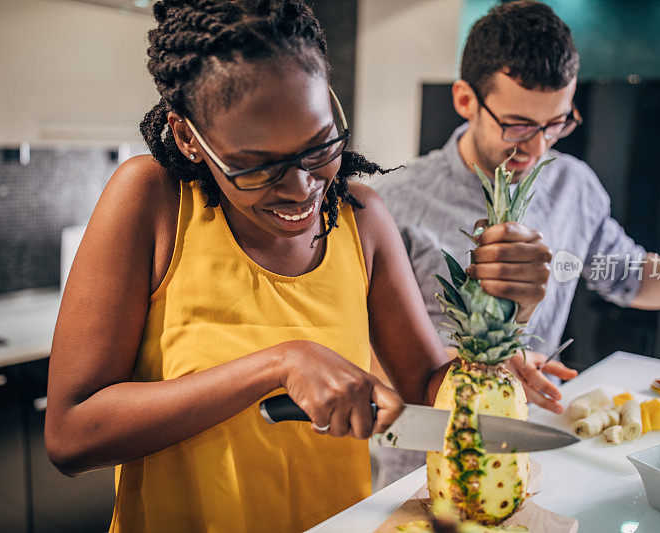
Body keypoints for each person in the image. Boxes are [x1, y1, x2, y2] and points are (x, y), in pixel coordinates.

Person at [43, 1, 549, 532]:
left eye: (320, 145)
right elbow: (72, 435)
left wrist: (508, 310)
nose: (302, 187)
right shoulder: (151, 200)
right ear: (189, 137)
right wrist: (278, 364)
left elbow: (428, 389)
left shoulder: (363, 219)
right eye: (257, 166)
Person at [371, 0, 660, 486]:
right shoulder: (394, 203)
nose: (539, 147)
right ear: (465, 100)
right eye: (518, 124)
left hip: (529, 448)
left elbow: (630, 276)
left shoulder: (573, 185)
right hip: (421, 465)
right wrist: (483, 367)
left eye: (557, 123)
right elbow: (363, 354)